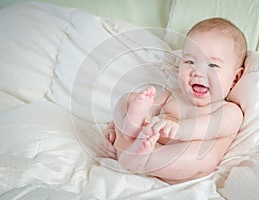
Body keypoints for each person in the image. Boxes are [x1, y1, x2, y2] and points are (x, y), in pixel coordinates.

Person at [99, 17, 247, 184]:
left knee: (201, 155)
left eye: (212, 65)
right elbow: (151, 111)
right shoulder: (173, 94)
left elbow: (206, 127)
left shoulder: (230, 111)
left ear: (235, 78)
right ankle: (127, 134)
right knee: (129, 99)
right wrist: (113, 128)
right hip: (146, 142)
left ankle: (138, 158)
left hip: (175, 161)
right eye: (190, 61)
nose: (197, 72)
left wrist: (179, 130)